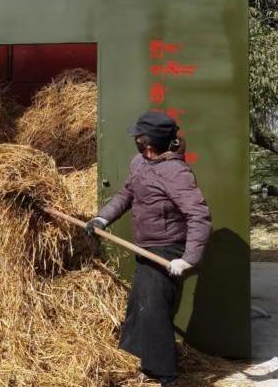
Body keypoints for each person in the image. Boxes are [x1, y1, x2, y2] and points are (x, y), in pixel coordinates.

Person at [84, 111, 211, 387]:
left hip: (167, 249)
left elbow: (199, 215)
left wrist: (188, 259)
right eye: (138, 141)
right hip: (146, 246)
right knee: (140, 306)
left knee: (154, 311)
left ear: (155, 143)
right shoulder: (140, 162)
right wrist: (102, 218)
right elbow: (126, 194)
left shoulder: (176, 173)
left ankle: (167, 376)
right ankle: (146, 363)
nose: (140, 145)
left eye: (143, 141)